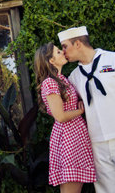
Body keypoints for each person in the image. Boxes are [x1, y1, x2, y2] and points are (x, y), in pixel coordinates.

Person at [58, 26, 115, 193]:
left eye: (65, 46)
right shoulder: (74, 76)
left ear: (78, 43)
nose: (63, 51)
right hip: (96, 142)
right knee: (105, 190)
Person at [34, 42, 97, 193]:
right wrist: (79, 111)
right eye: (57, 52)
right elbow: (60, 116)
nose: (62, 52)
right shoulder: (50, 82)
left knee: (77, 186)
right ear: (51, 61)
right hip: (68, 136)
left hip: (76, 135)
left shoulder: (63, 79)